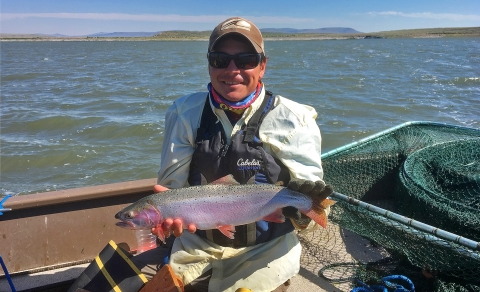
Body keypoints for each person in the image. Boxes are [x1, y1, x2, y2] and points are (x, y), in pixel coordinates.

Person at [69, 17, 331, 292]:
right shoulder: (184, 113)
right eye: (220, 59)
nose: (233, 70)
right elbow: (172, 189)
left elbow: (314, 204)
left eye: (246, 60)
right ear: (209, 64)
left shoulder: (295, 118)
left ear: (262, 65)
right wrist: (167, 221)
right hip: (195, 248)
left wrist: (303, 215)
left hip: (266, 255)